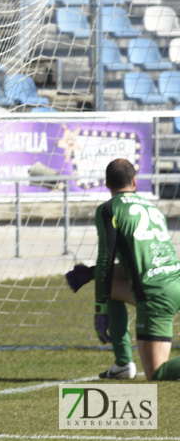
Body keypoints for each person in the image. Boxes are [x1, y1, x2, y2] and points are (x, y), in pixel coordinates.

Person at [88, 158, 180, 381]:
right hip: (174, 281)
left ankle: (123, 362)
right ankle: (122, 364)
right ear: (135, 182)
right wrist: (90, 274)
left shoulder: (109, 209)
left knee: (157, 373)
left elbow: (105, 262)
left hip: (155, 294)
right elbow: (133, 265)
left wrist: (100, 310)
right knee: (110, 286)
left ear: (107, 183)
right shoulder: (154, 209)